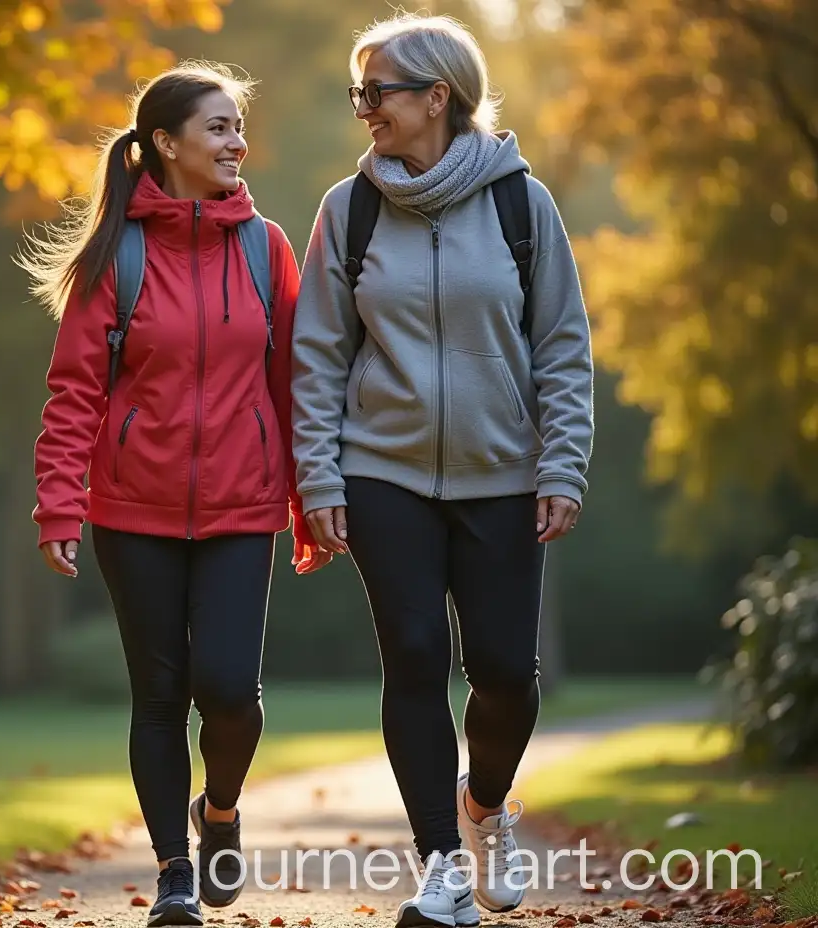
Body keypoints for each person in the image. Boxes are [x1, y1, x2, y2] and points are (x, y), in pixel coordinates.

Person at [290, 13, 594, 928]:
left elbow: (562, 345)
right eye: (359, 93)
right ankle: (439, 867)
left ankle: (486, 806)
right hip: (382, 472)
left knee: (505, 671)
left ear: (437, 97)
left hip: (503, 472)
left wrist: (563, 463)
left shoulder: (519, 203)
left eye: (377, 92)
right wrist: (320, 476)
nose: (364, 109)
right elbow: (318, 354)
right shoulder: (349, 209)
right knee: (414, 658)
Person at [22, 62, 321, 927]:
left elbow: (293, 384)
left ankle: (218, 809)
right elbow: (74, 388)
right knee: (158, 695)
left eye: (238, 128)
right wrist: (59, 502)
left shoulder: (265, 248)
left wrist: (308, 501)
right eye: (220, 127)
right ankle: (173, 875)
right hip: (132, 511)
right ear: (167, 143)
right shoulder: (119, 254)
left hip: (241, 506)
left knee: (229, 689)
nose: (239, 143)